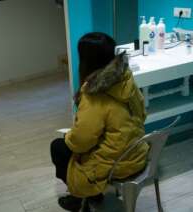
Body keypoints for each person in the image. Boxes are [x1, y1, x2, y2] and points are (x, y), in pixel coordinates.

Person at [50, 32, 149, 212]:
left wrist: (69, 137)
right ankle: (85, 195)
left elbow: (81, 142)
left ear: (86, 61)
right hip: (138, 153)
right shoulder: (126, 78)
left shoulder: (94, 94)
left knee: (58, 147)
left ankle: (81, 197)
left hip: (118, 165)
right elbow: (142, 114)